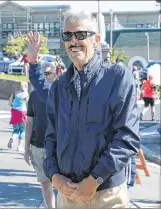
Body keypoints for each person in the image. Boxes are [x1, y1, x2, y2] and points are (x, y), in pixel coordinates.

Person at [26, 9, 140, 208]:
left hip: (106, 195)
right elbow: (51, 137)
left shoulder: (118, 78)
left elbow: (127, 138)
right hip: (67, 195)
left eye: (80, 34)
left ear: (95, 39)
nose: (73, 41)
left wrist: (95, 179)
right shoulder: (60, 86)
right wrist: (54, 175)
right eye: (67, 35)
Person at [24, 62, 58, 209]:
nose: (43, 77)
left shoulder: (60, 95)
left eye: (47, 74)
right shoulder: (33, 95)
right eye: (42, 74)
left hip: (57, 147)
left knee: (62, 184)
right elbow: (29, 122)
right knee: (45, 183)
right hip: (37, 145)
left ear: (55, 75)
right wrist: (26, 148)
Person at [7, 81, 29, 151]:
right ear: (26, 87)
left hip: (14, 112)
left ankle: (13, 138)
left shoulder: (16, 93)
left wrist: (12, 105)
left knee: (16, 130)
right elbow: (28, 104)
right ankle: (19, 147)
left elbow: (10, 102)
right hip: (22, 113)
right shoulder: (26, 94)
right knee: (22, 130)